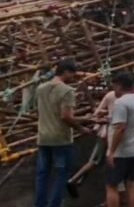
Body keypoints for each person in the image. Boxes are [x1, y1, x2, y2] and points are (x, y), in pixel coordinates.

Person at [67, 64, 134, 197]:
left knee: (102, 167)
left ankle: (74, 180)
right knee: (124, 178)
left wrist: (100, 121)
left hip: (111, 135)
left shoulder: (115, 97)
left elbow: (103, 118)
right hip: (125, 140)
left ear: (119, 85)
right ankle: (75, 180)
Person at [35, 60, 92, 207]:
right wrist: (82, 128)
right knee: (62, 174)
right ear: (66, 71)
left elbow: (45, 111)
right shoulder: (67, 91)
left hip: (43, 137)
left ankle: (40, 204)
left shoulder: (41, 88)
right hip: (60, 139)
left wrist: (82, 118)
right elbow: (65, 116)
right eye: (72, 73)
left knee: (43, 174)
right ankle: (54, 204)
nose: (73, 77)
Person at [105, 71, 134, 207]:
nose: (113, 89)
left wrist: (111, 152)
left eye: (114, 86)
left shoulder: (120, 103)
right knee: (132, 183)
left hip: (121, 152)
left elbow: (120, 129)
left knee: (112, 186)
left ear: (119, 86)